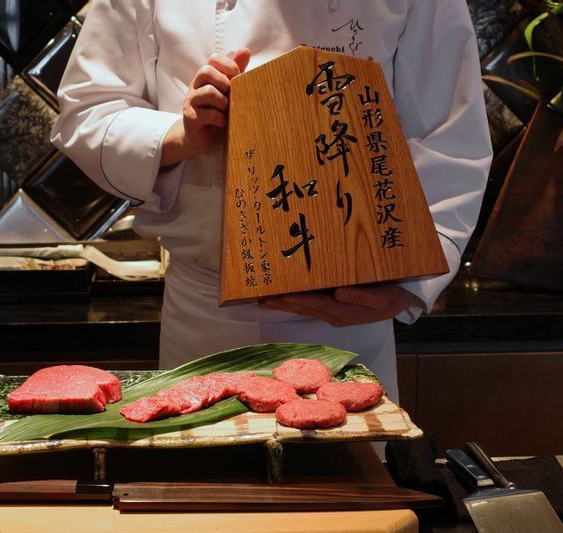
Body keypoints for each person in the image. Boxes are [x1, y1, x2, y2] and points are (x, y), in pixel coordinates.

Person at [51, 0, 492, 401]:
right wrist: (179, 135)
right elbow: (88, 111)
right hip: (205, 318)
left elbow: (451, 138)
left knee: (347, 485)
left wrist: (408, 288)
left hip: (353, 320)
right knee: (208, 485)